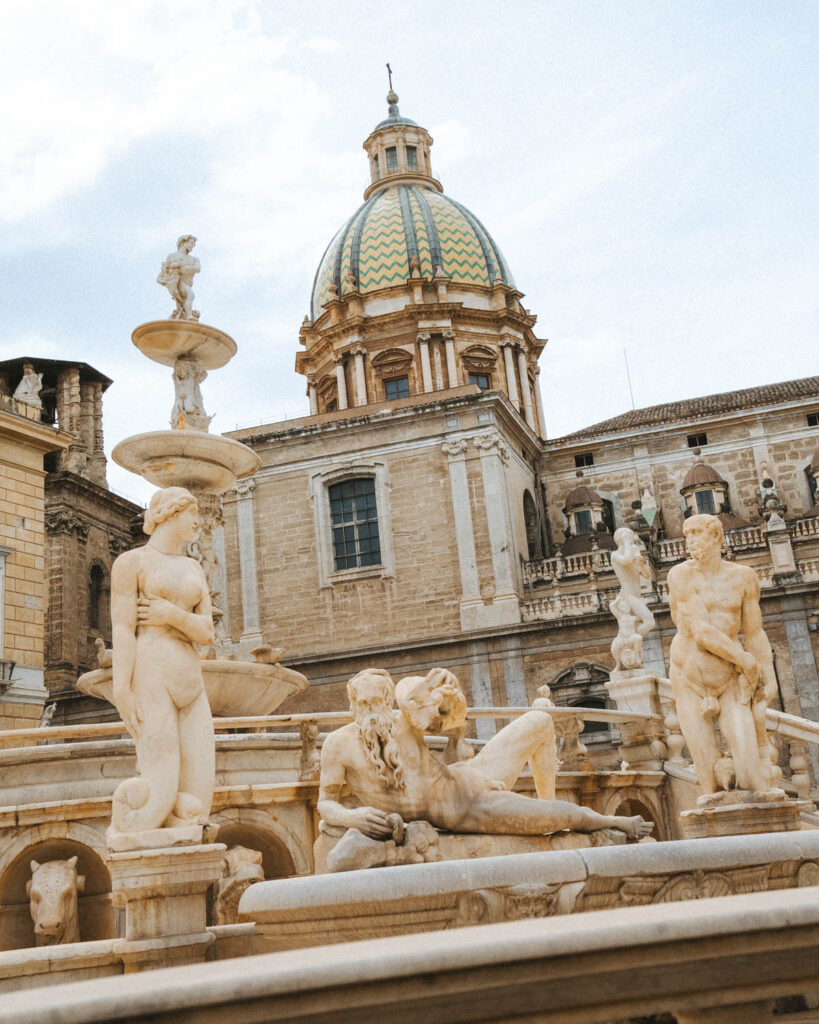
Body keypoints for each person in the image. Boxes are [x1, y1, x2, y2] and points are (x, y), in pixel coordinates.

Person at [317, 667, 653, 841]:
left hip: (469, 775)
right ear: (351, 704)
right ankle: (611, 821)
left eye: (377, 702)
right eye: (362, 703)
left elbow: (445, 715)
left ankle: (546, 800)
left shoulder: (402, 720)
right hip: (462, 808)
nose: (370, 710)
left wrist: (445, 692)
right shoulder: (339, 744)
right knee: (556, 816)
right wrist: (352, 817)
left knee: (539, 720)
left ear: (387, 700)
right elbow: (326, 803)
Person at [109, 486, 215, 834]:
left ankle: (185, 843)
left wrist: (170, 613)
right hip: (153, 676)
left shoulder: (194, 567)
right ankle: (134, 830)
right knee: (161, 782)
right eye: (192, 515)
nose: (197, 523)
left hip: (191, 682)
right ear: (171, 514)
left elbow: (207, 633)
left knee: (200, 795)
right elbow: (123, 629)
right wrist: (121, 688)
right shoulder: (132, 563)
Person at [668, 513, 781, 796]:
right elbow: (701, 631)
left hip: (729, 680)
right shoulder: (680, 575)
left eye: (697, 533)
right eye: (687, 535)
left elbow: (754, 633)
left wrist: (768, 676)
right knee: (711, 785)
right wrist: (746, 661)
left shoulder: (744, 578)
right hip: (690, 680)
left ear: (717, 537)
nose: (690, 541)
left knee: (749, 774)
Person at [157, 235, 200, 320]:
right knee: (190, 294)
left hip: (187, 284)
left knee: (186, 300)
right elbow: (164, 270)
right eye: (191, 243)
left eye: (194, 244)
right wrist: (161, 279)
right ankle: (189, 316)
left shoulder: (194, 259)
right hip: (176, 282)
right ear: (183, 243)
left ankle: (183, 313)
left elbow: (198, 268)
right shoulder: (172, 256)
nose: (193, 246)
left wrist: (185, 269)